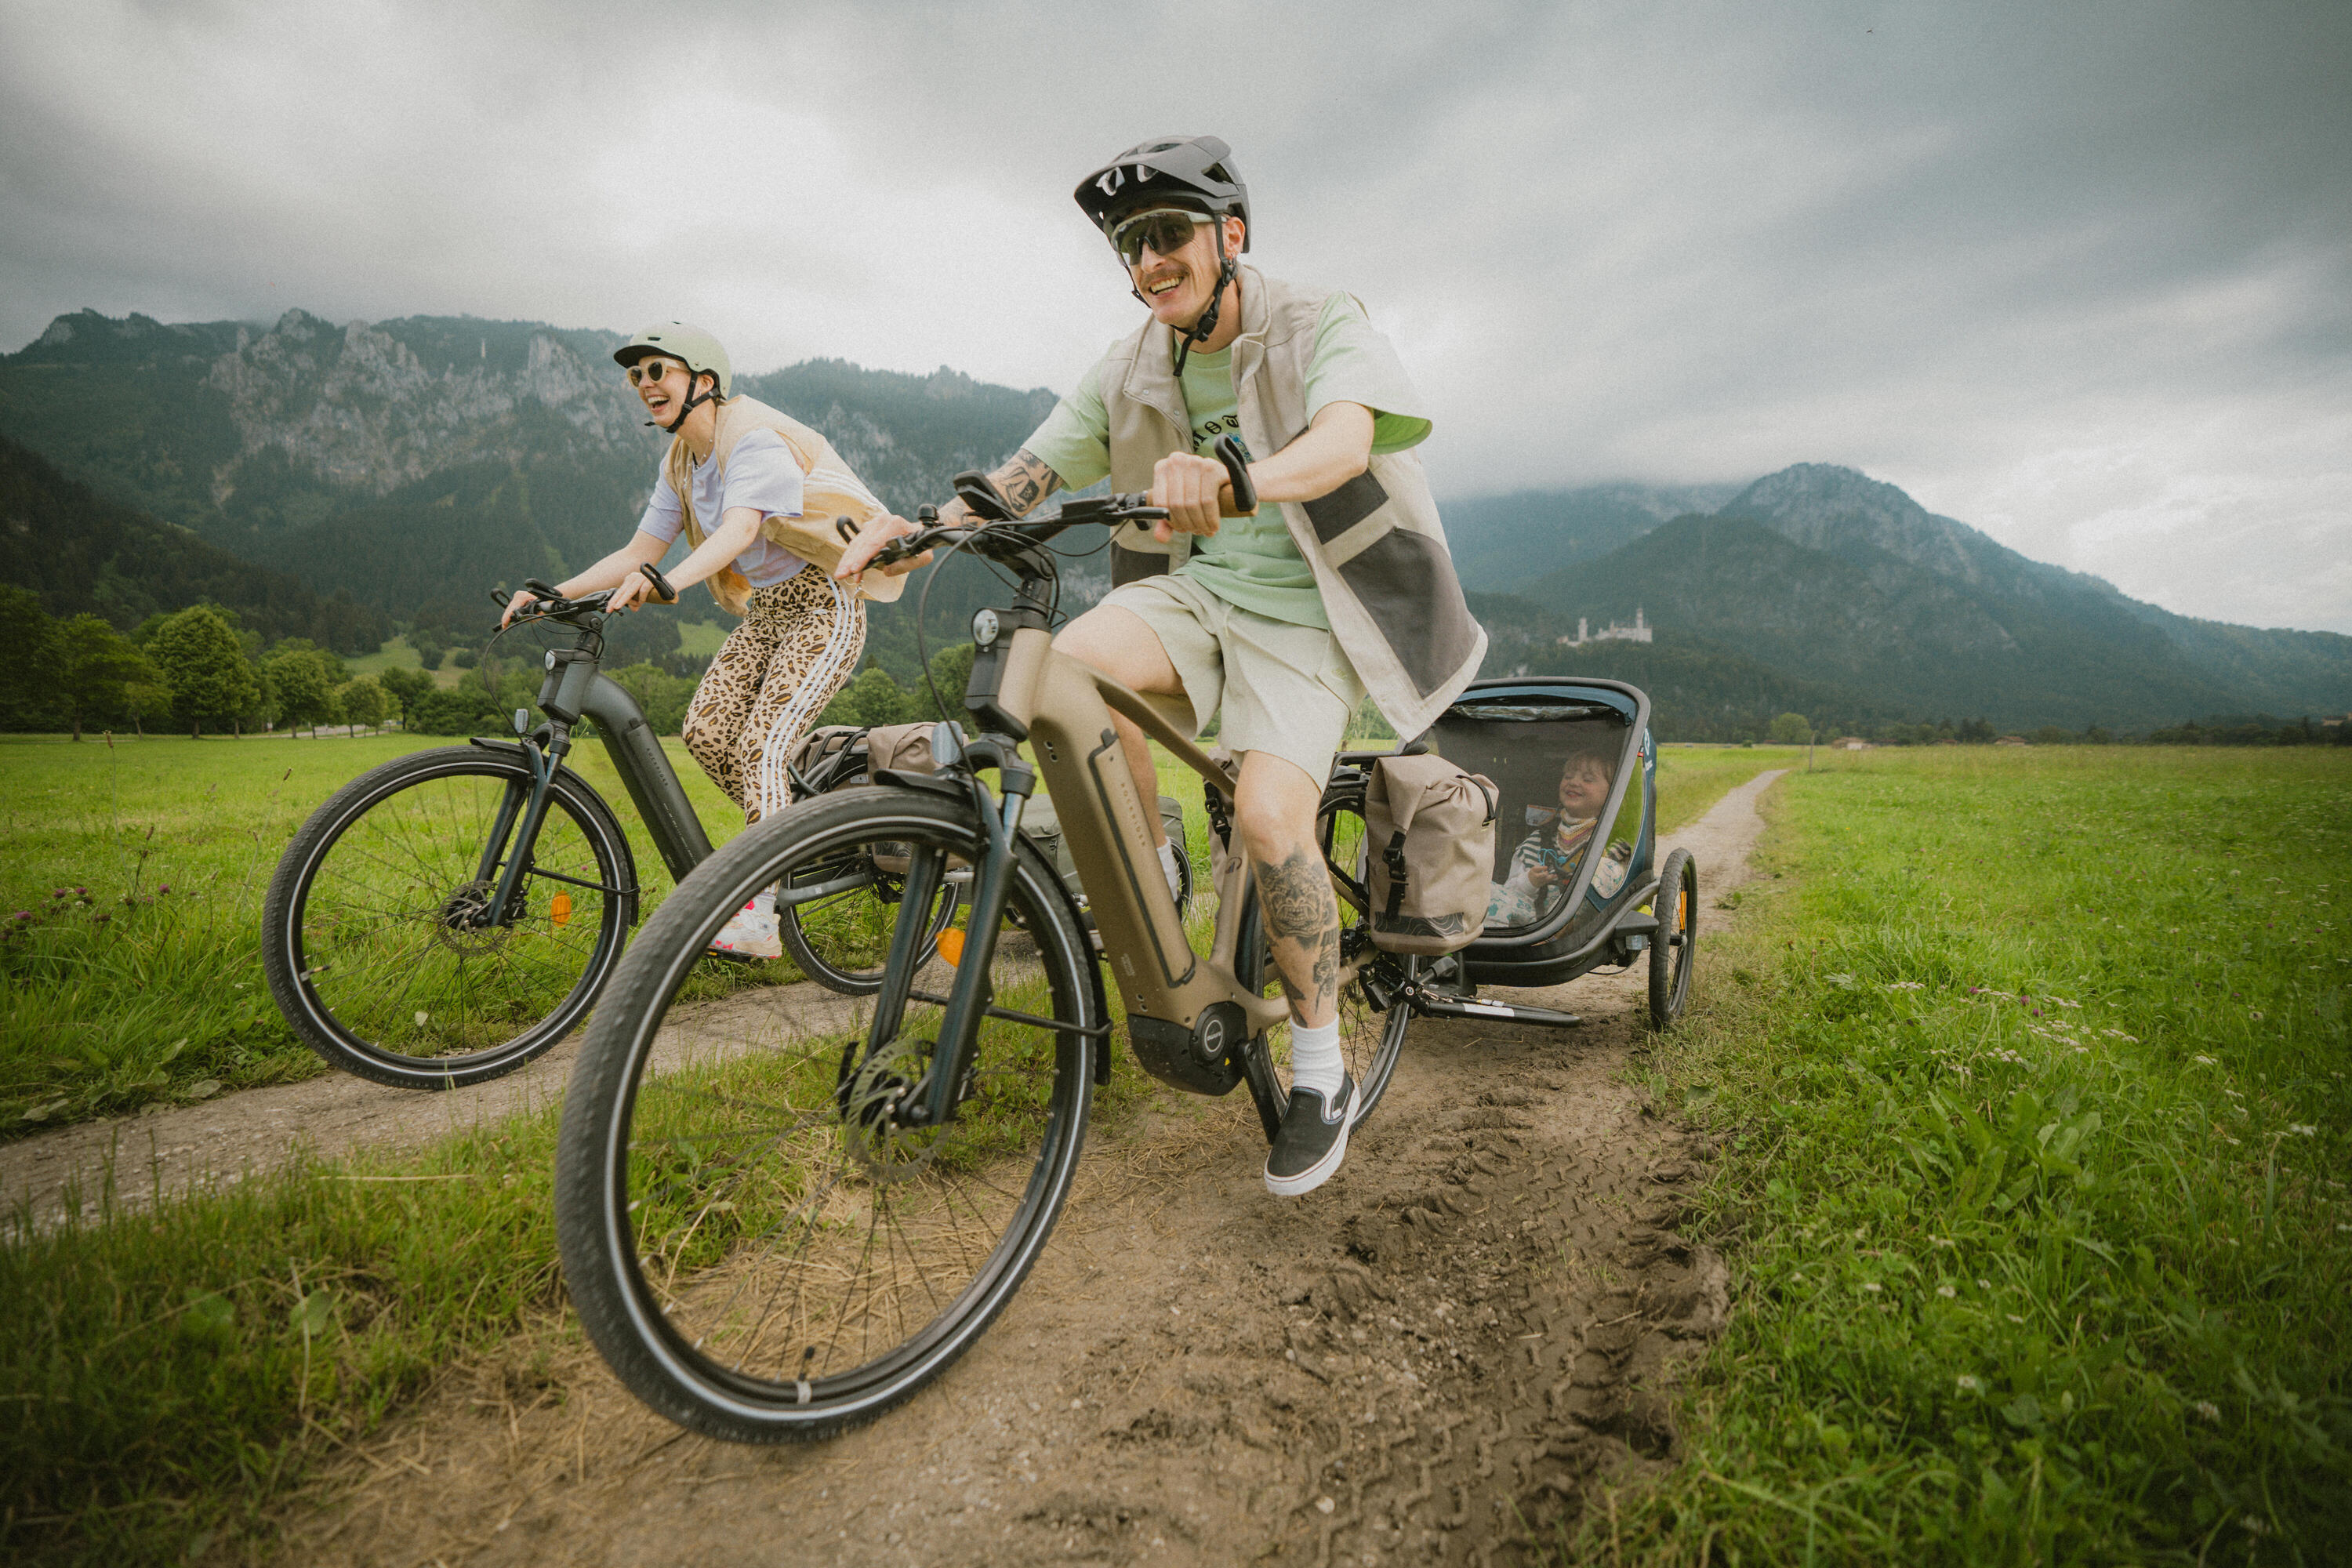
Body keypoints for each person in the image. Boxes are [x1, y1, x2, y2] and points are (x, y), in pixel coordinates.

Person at [837, 137, 1486, 1196]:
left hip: (1309, 615)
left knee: (1276, 824)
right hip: (1194, 600)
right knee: (1068, 673)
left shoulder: (1321, 319)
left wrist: (1242, 481)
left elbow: (1346, 442)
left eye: (1168, 234)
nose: (1149, 261)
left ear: (1229, 236)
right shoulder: (1130, 362)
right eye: (1132, 246)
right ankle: (1154, 882)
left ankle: (1318, 1069)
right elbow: (1029, 471)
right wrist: (919, 526)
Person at [502, 322, 908, 960]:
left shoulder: (754, 440)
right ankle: (804, 831)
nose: (643, 385)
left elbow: (740, 532)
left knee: (762, 746)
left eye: (657, 371)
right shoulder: (682, 462)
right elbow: (640, 550)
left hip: (825, 603)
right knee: (707, 734)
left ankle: (759, 911)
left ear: (705, 381)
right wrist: (554, 592)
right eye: (635, 376)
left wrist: (667, 581)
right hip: (770, 609)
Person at [1487, 750, 1617, 927]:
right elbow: (1509, 893)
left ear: (1612, 790)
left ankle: (1554, 935)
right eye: (1568, 776)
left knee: (1607, 868)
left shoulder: (1611, 836)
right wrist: (1529, 882)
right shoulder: (1536, 842)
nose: (1574, 782)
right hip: (1533, 926)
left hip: (1585, 925)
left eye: (1588, 780)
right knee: (1490, 891)